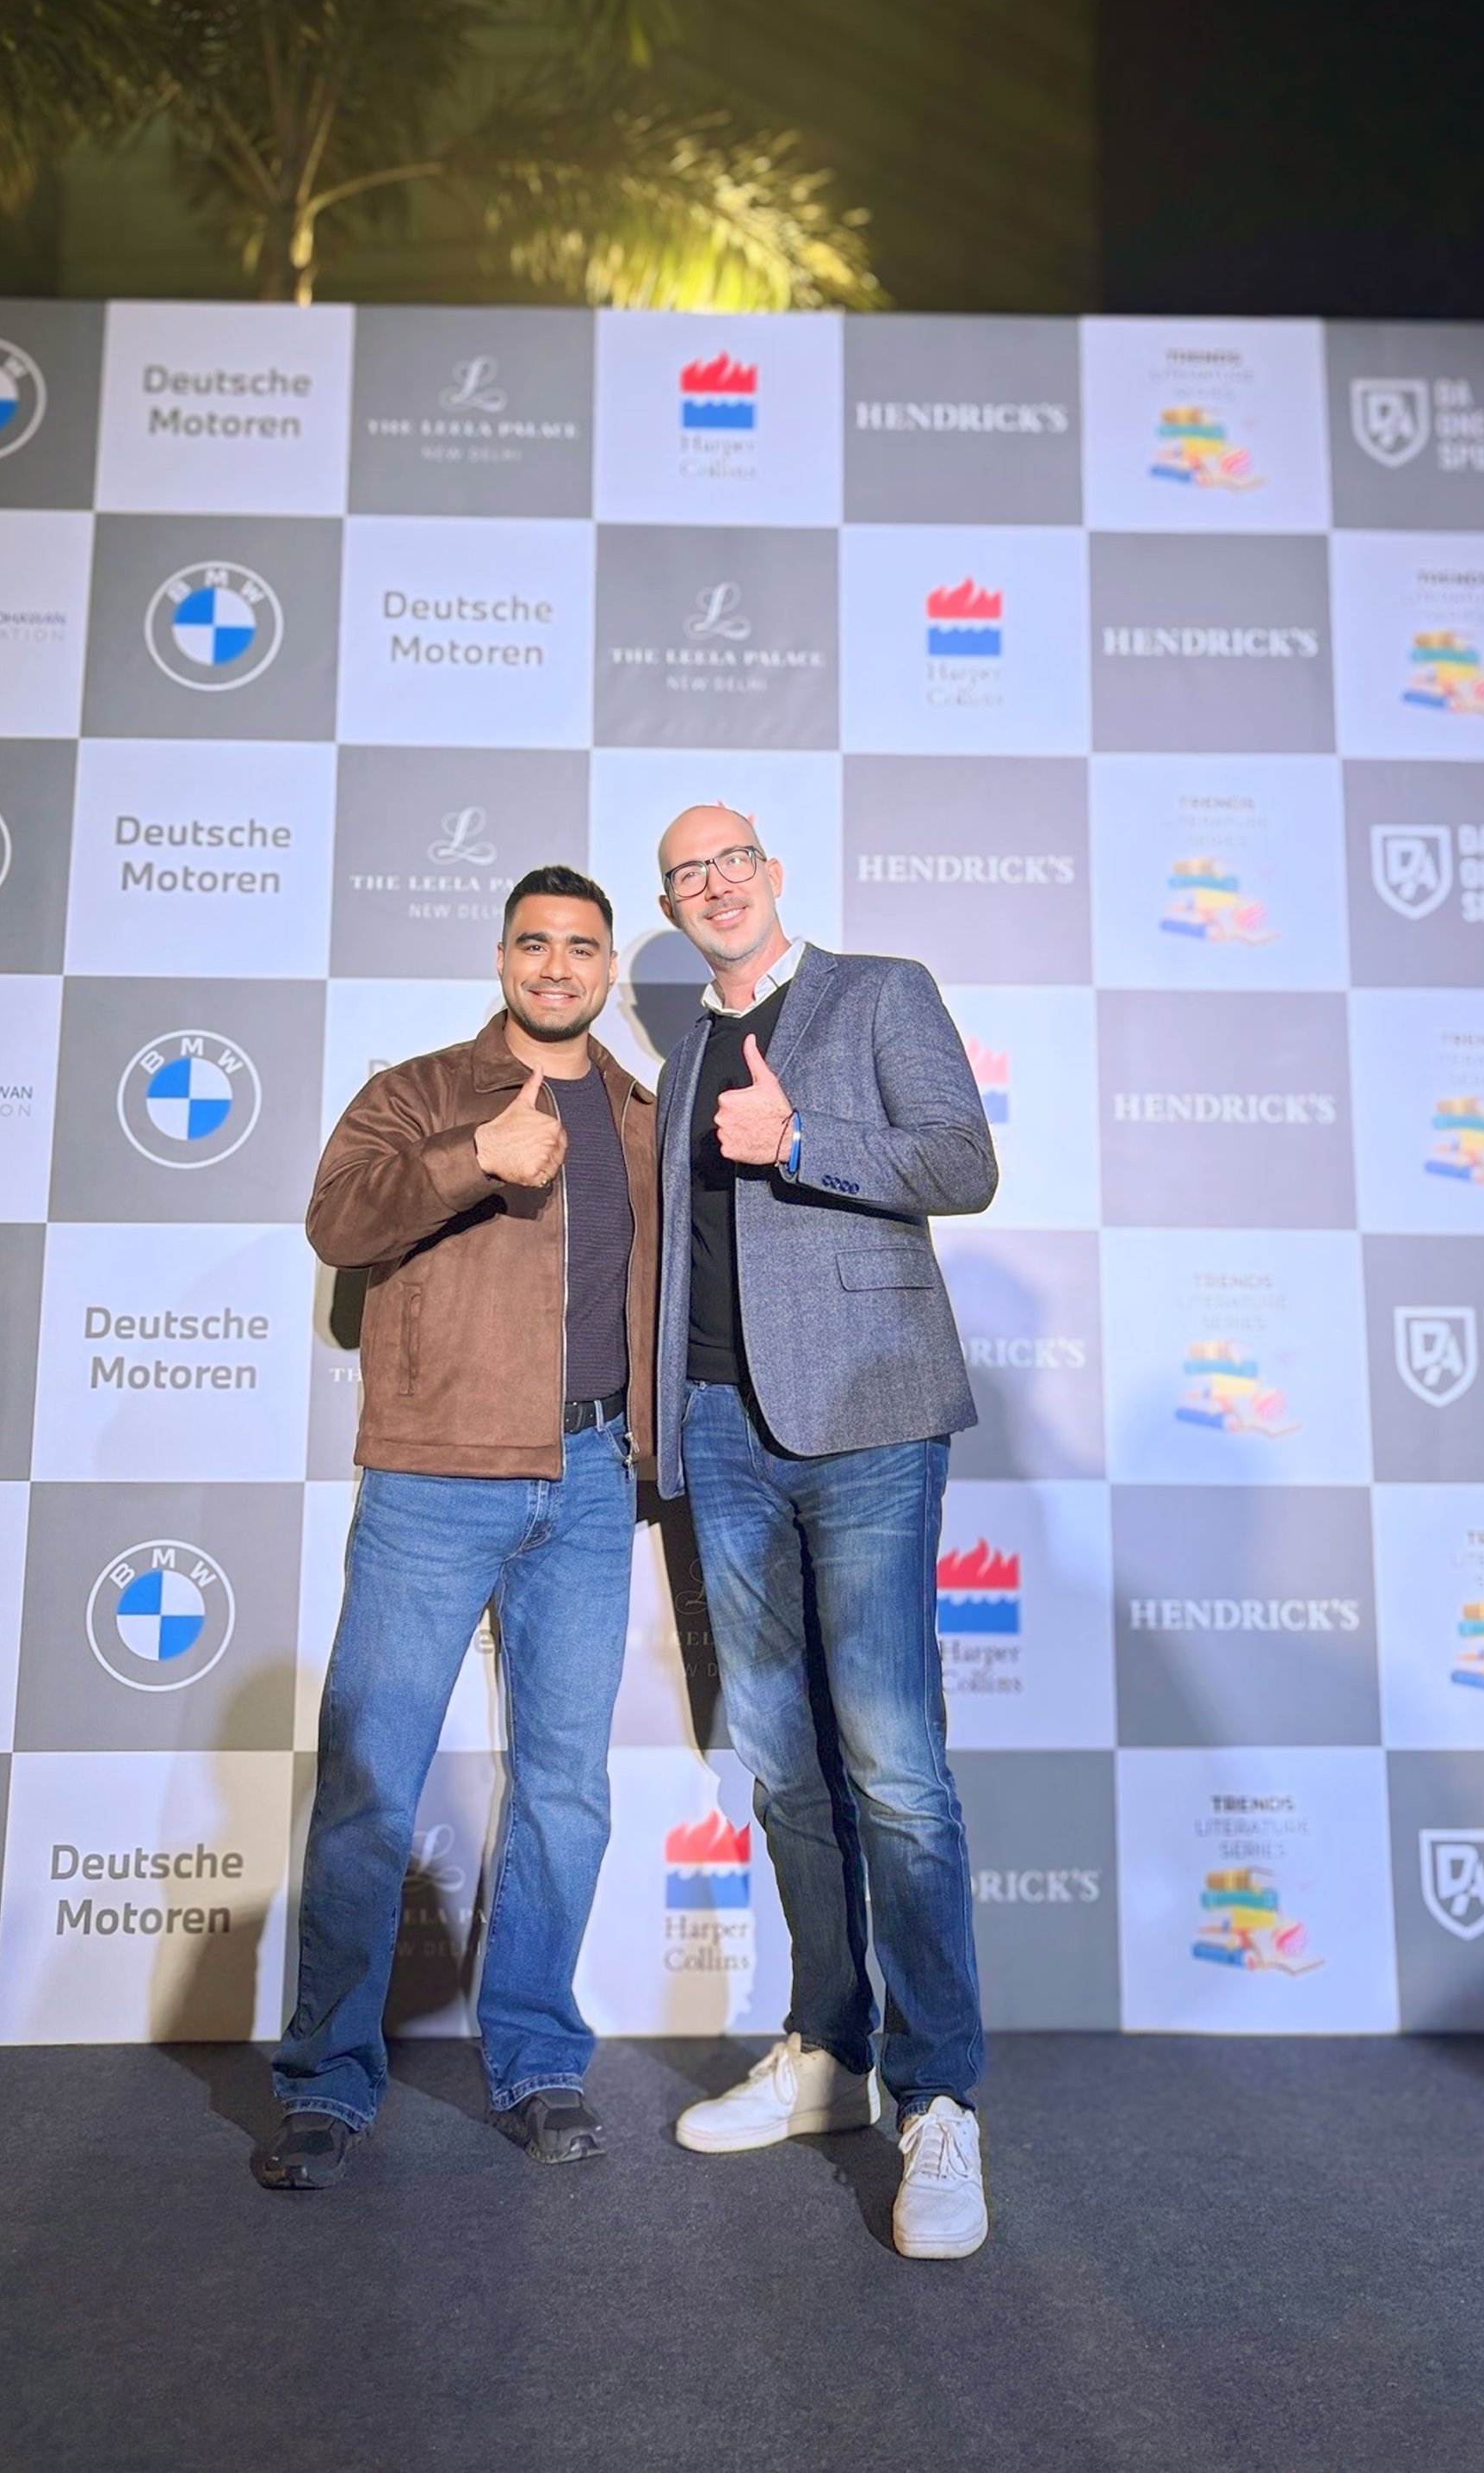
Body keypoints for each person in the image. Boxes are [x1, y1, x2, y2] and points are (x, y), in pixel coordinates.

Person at [257, 867, 655, 2190]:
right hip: (434, 1476)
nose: (557, 966)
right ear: (502, 958)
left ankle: (539, 2058)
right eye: (534, 943)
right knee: (374, 1779)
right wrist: (474, 1157)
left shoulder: (641, 1111)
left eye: (582, 946)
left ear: (607, 967)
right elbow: (337, 1220)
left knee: (564, 1790)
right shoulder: (423, 1091)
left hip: (593, 1477)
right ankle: (325, 2078)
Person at [649, 803, 999, 2259]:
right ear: (671, 906)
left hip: (866, 1418)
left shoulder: (880, 991)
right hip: (723, 1433)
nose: (717, 884)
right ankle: (827, 2049)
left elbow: (962, 1163)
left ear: (774, 874)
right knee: (784, 1764)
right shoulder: (675, 1061)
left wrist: (801, 1138)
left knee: (896, 1766)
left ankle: (937, 2099)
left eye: (736, 859)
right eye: (688, 873)